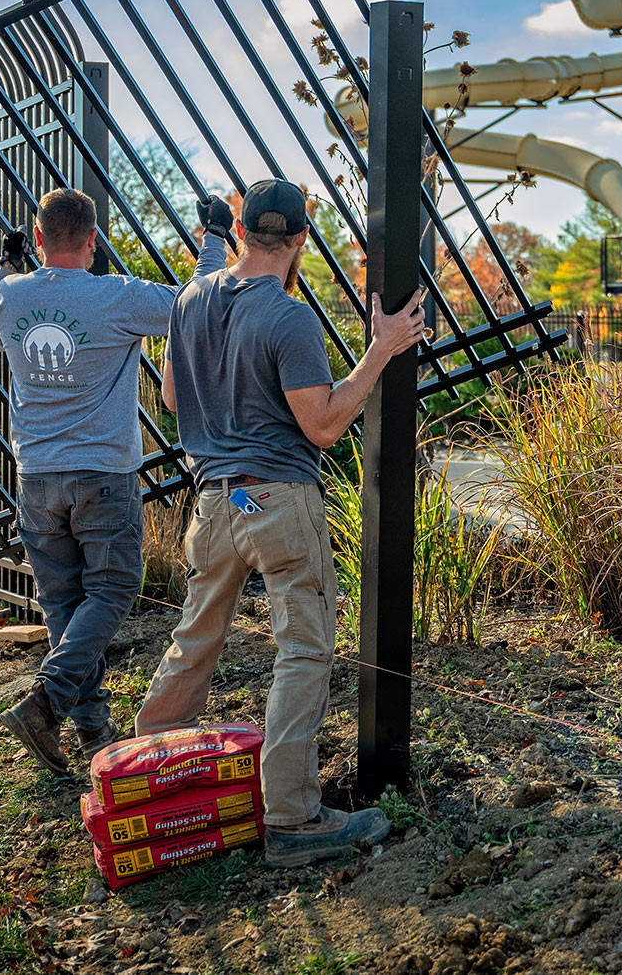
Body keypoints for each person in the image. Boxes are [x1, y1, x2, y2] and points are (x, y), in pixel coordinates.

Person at [135, 178, 426, 868]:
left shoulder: (188, 300)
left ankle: (148, 764)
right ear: (299, 241)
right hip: (277, 501)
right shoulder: (290, 318)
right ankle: (293, 818)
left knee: (196, 636)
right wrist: (381, 348)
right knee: (303, 650)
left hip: (214, 505)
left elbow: (174, 398)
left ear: (238, 231)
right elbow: (323, 425)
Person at [0, 187, 230, 774]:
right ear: (93, 240)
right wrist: (214, 239)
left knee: (63, 602)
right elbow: (198, 308)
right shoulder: (117, 296)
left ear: (39, 240)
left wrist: (7, 268)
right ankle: (45, 701)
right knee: (113, 591)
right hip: (103, 476)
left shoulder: (10, 297)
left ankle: (91, 727)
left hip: (36, 478)